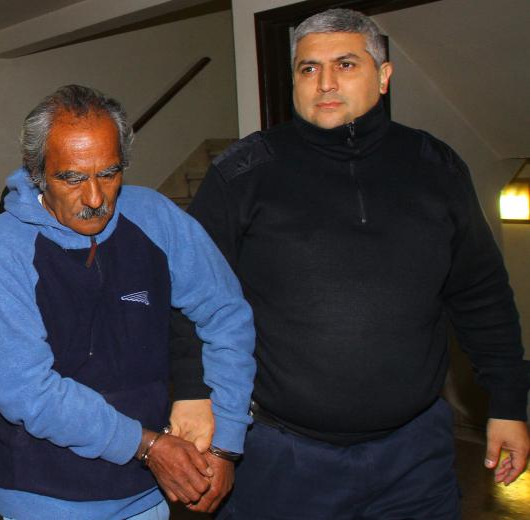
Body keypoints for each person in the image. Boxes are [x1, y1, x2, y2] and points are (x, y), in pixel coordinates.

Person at [177, 8, 530, 519]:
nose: (324, 82)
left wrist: (508, 403)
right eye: (308, 68)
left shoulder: (436, 167)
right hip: (281, 457)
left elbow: (482, 295)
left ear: (383, 76)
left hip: (414, 458)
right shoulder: (243, 173)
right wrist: (194, 394)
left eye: (345, 64)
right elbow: (190, 294)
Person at [0, 84, 256, 520]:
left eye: (109, 173)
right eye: (72, 178)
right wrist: (148, 445)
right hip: (45, 497)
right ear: (38, 172)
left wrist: (227, 441)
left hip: (148, 493)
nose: (95, 198)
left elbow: (226, 315)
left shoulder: (156, 217)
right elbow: (27, 392)